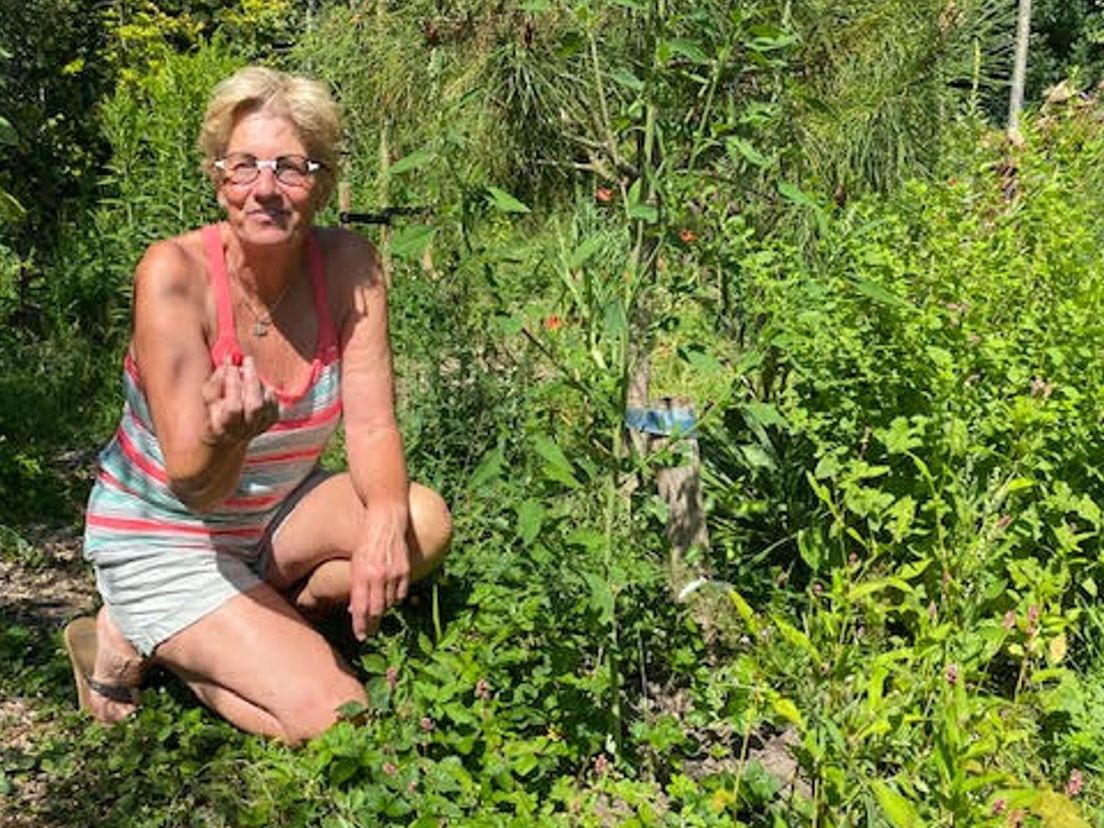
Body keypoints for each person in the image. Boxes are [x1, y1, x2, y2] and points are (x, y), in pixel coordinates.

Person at [64, 65, 452, 744]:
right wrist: (234, 438)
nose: (265, 188)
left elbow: (371, 423)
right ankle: (141, 632)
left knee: (423, 520)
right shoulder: (173, 276)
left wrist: (385, 520)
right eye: (243, 166)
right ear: (218, 179)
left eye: (291, 167)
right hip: (169, 533)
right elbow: (193, 482)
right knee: (336, 718)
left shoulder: (350, 266)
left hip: (275, 516)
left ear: (323, 181)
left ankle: (251, 616)